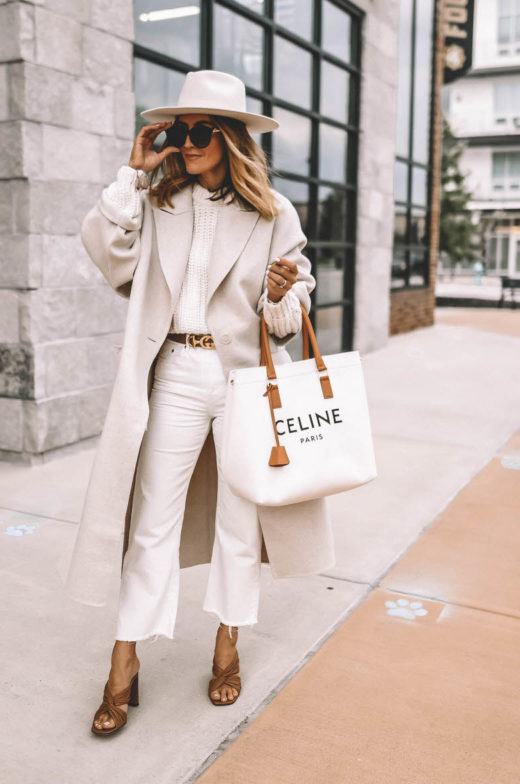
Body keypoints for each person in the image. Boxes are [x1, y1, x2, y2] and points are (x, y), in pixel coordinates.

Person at [65, 70, 334, 736]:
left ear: (231, 139)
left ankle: (227, 645)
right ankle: (123, 661)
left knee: (239, 528)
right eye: (178, 130)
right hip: (177, 371)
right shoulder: (157, 203)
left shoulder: (273, 213)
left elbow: (286, 318)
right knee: (151, 522)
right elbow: (108, 255)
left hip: (243, 381)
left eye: (199, 130)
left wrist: (278, 293)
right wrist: (133, 173)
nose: (185, 142)